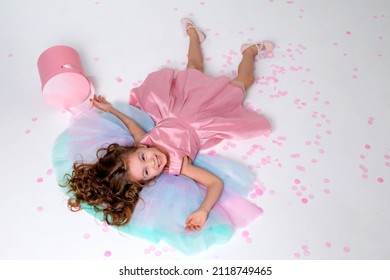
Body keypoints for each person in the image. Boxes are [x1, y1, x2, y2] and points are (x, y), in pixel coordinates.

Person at [53, 18, 273, 253]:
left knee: (194, 68)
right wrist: (203, 210)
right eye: (147, 171)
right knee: (242, 83)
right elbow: (215, 183)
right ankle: (249, 52)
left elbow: (129, 123)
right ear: (148, 181)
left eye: (143, 157)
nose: (153, 161)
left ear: (137, 148)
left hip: (176, 106)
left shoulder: (144, 140)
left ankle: (193, 36)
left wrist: (110, 110)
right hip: (205, 119)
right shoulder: (179, 165)